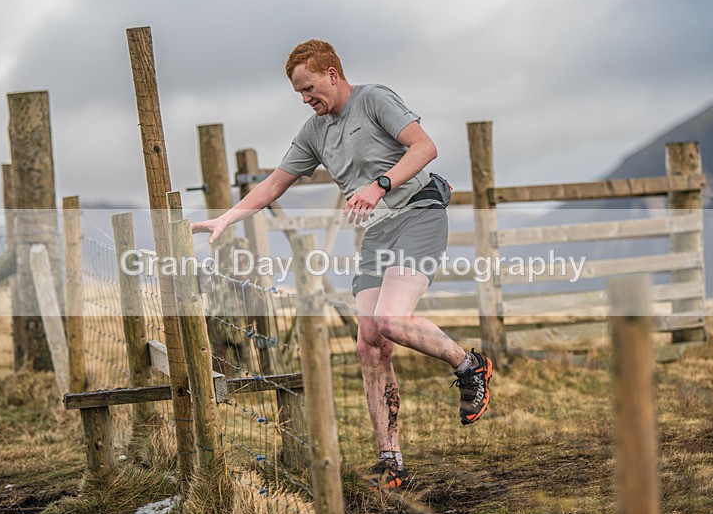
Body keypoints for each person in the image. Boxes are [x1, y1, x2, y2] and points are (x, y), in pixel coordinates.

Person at [191, 39, 492, 489]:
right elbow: (275, 183)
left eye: (310, 87)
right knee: (369, 343)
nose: (306, 98)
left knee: (390, 319)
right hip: (379, 233)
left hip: (419, 213)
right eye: (299, 93)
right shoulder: (315, 131)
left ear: (333, 74)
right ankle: (392, 464)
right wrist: (227, 218)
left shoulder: (374, 99)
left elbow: (425, 148)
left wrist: (379, 185)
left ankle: (469, 365)